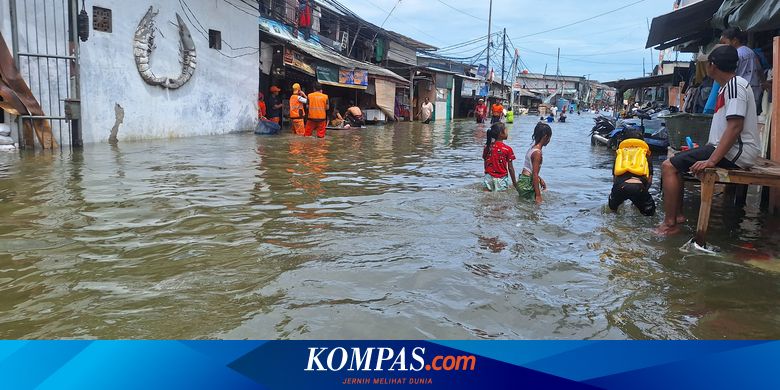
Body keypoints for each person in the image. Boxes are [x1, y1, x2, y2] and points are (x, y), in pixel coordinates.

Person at [657, 45, 761, 235]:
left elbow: (735, 126)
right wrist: (703, 150)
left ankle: (669, 225)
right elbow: (726, 127)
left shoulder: (735, 86)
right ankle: (677, 217)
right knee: (677, 162)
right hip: (728, 149)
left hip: (737, 153)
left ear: (712, 65)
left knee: (668, 166)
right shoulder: (727, 87)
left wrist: (711, 160)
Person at [609, 128, 656, 216]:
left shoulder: (620, 155)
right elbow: (649, 180)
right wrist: (643, 192)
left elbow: (615, 179)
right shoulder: (645, 155)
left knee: (613, 212)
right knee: (649, 215)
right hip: (638, 187)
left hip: (620, 187)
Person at [721, 28, 764, 109]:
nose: (724, 46)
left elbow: (730, 74)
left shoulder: (735, 54)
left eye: (725, 42)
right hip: (754, 88)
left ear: (734, 40)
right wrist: (763, 82)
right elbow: (759, 70)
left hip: (740, 90)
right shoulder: (751, 52)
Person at [517, 122, 552, 204]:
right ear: (545, 137)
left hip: (523, 179)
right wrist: (538, 195)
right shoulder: (537, 153)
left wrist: (540, 179)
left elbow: (530, 168)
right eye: (549, 137)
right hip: (527, 182)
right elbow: (534, 175)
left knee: (525, 205)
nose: (549, 140)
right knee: (534, 206)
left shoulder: (532, 148)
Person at [482, 122, 518, 192]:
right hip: (501, 178)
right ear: (501, 134)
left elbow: (485, 161)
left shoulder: (487, 147)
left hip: (488, 177)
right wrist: (514, 183)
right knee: (501, 198)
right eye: (506, 131)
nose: (507, 133)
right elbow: (510, 168)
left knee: (487, 197)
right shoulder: (507, 149)